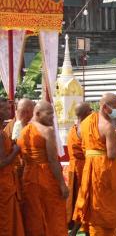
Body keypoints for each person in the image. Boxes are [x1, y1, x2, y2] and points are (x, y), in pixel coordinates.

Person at [73, 93, 116, 235]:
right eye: (115, 108)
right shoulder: (108, 126)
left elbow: (85, 140)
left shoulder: (86, 122)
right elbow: (112, 153)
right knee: (105, 206)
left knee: (92, 203)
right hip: (105, 169)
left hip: (89, 165)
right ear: (104, 107)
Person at [17, 101, 69, 236]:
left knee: (34, 214)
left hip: (28, 176)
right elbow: (52, 160)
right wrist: (62, 184)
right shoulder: (47, 131)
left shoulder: (23, 131)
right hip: (45, 176)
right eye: (49, 113)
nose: (52, 117)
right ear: (38, 113)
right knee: (52, 212)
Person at [67, 102, 92, 236]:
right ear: (86, 113)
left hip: (74, 167)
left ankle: (77, 230)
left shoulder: (73, 127)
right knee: (85, 200)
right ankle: (77, 230)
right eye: (90, 111)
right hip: (83, 168)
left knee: (79, 199)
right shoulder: (84, 128)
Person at [0, 97, 24, 236]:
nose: (8, 111)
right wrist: (16, 150)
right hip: (3, 184)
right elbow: (1, 162)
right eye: (4, 109)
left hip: (7, 181)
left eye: (8, 108)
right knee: (5, 223)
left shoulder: (3, 131)